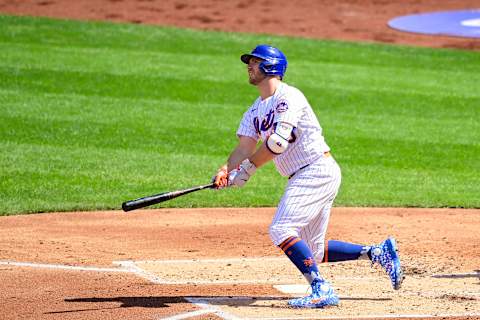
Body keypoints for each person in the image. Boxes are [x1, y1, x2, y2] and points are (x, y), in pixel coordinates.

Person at [212, 44, 403, 308]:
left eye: (254, 61)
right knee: (312, 250)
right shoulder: (254, 110)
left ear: (270, 66)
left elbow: (278, 143)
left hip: (315, 170)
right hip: (306, 174)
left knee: (281, 229)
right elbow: (244, 147)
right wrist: (226, 169)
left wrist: (249, 169)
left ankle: (320, 288)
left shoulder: (289, 97)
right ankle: (377, 252)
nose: (249, 66)